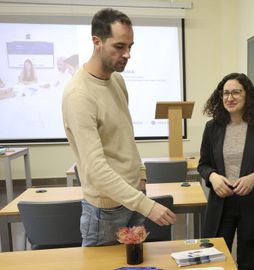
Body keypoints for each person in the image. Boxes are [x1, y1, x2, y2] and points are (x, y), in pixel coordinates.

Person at [62, 8, 176, 247]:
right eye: (119, 46)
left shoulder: (117, 80)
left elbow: (126, 137)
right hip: (106, 212)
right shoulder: (79, 94)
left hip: (134, 197)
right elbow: (95, 168)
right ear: (97, 42)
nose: (127, 54)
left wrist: (141, 176)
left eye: (130, 47)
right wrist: (146, 205)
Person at [198, 72, 254, 270]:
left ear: (247, 95)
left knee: (248, 264)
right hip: (222, 202)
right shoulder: (212, 127)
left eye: (236, 92)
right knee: (216, 261)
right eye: (225, 93)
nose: (229, 98)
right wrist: (213, 177)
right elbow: (203, 164)